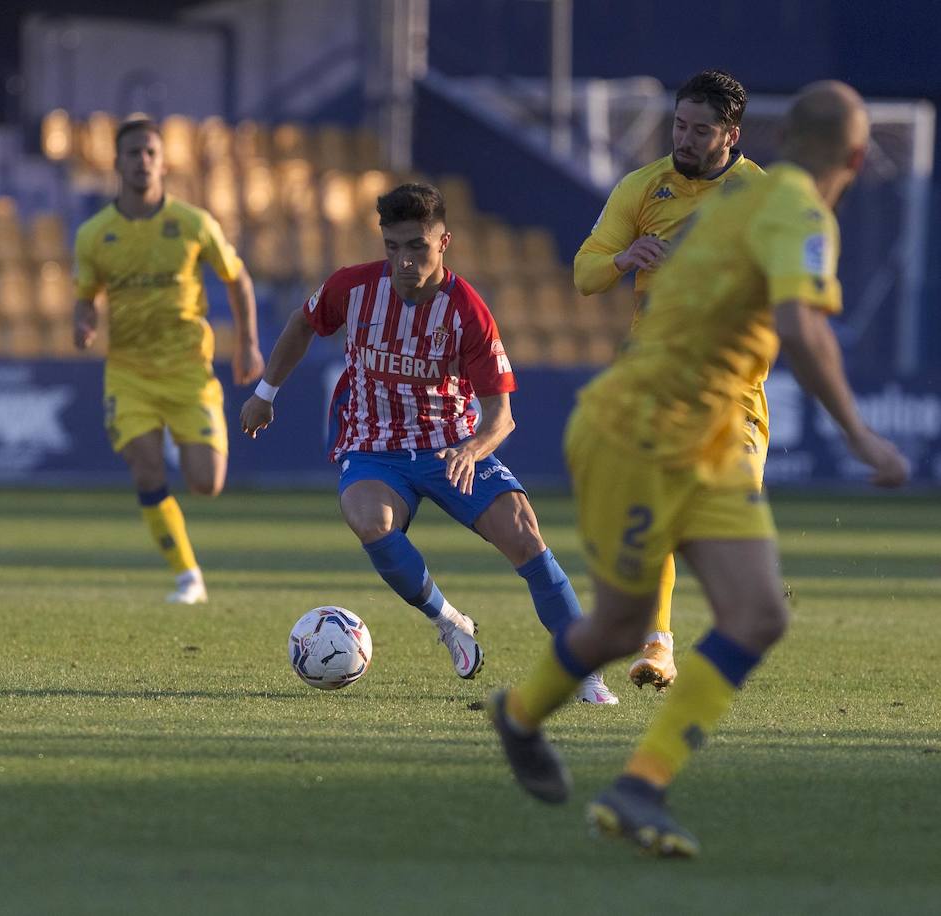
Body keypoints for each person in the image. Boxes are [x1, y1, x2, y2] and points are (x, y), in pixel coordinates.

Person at [489, 81, 909, 857]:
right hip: (643, 422)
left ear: (766, 139)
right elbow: (802, 329)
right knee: (625, 624)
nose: (683, 137)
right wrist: (861, 436)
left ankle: (634, 783)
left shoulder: (743, 200)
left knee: (750, 615)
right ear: (857, 156)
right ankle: (521, 716)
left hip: (707, 425)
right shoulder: (796, 211)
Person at [240, 182, 616, 704]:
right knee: (370, 520)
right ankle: (447, 620)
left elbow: (502, 417)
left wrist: (471, 450)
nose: (404, 260)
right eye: (392, 246)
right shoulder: (353, 288)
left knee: (525, 536)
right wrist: (266, 392)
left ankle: (583, 671)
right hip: (373, 444)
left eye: (417, 246)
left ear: (445, 242)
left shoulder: (468, 313)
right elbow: (303, 323)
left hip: (451, 445)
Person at [574, 69, 764, 690]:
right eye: (679, 125)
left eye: (700, 130)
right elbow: (585, 271)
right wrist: (624, 259)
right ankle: (658, 644)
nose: (684, 138)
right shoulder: (642, 187)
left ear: (730, 135)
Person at [73, 117, 265, 604]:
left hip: (187, 372)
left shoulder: (192, 223)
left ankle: (183, 443)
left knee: (207, 484)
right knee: (146, 469)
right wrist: (84, 321)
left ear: (162, 161)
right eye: (133, 152)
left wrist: (247, 344)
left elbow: (237, 279)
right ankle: (188, 577)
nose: (142, 161)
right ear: (117, 162)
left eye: (150, 153)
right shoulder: (95, 234)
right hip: (129, 373)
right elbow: (85, 295)